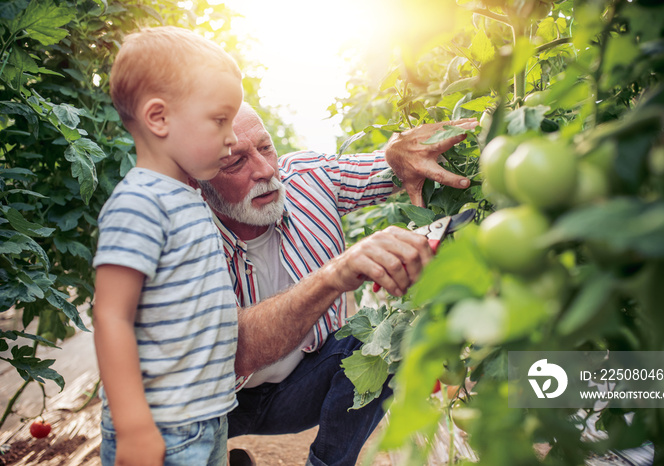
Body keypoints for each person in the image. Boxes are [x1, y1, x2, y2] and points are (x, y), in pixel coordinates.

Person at [195, 103, 478, 466]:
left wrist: (398, 152)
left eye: (266, 148)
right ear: (198, 181)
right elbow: (236, 351)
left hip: (298, 390)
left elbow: (396, 164)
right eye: (236, 163)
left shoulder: (309, 178)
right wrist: (334, 275)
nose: (266, 171)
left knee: (384, 336)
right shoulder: (185, 235)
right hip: (212, 405)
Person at [92, 26, 244, 466]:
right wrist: (135, 427)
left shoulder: (186, 195)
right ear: (158, 118)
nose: (232, 136)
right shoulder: (141, 202)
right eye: (220, 120)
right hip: (163, 425)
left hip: (203, 416)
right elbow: (110, 314)